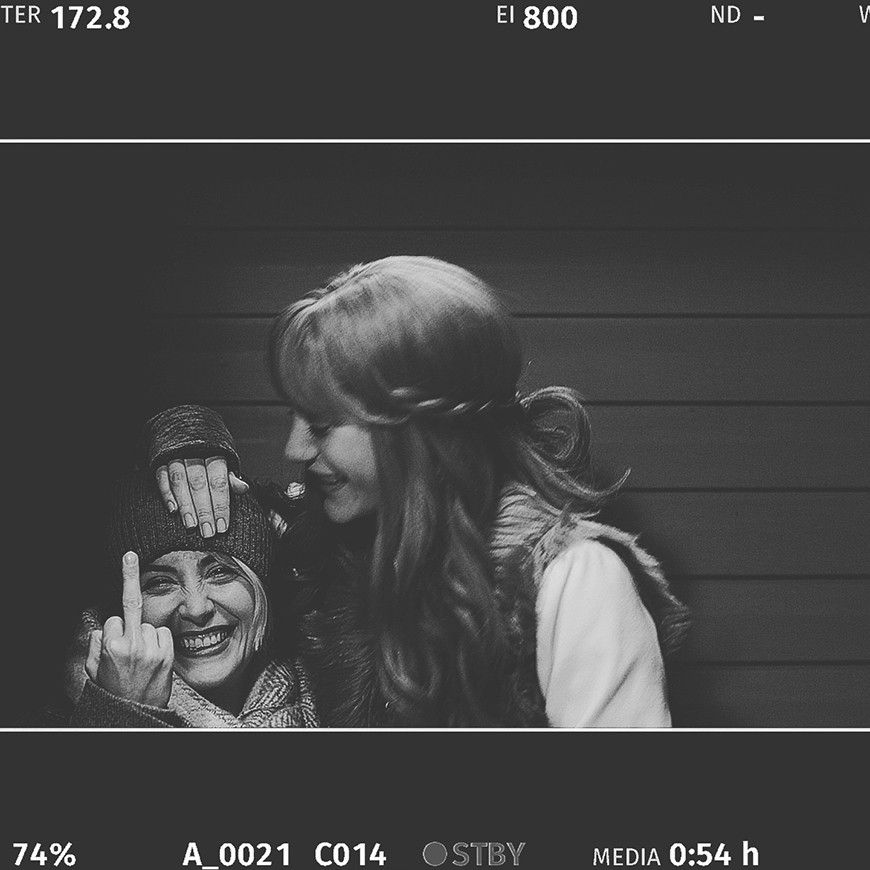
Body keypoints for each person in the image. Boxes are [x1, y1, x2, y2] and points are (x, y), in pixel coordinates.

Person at [151, 256, 690, 727]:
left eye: (320, 424)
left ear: (412, 431)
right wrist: (189, 443)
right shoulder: (338, 550)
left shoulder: (574, 581)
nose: (294, 447)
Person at [66, 471, 319, 727]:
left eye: (219, 572)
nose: (197, 609)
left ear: (261, 587)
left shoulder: (330, 699)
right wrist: (125, 714)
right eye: (160, 582)